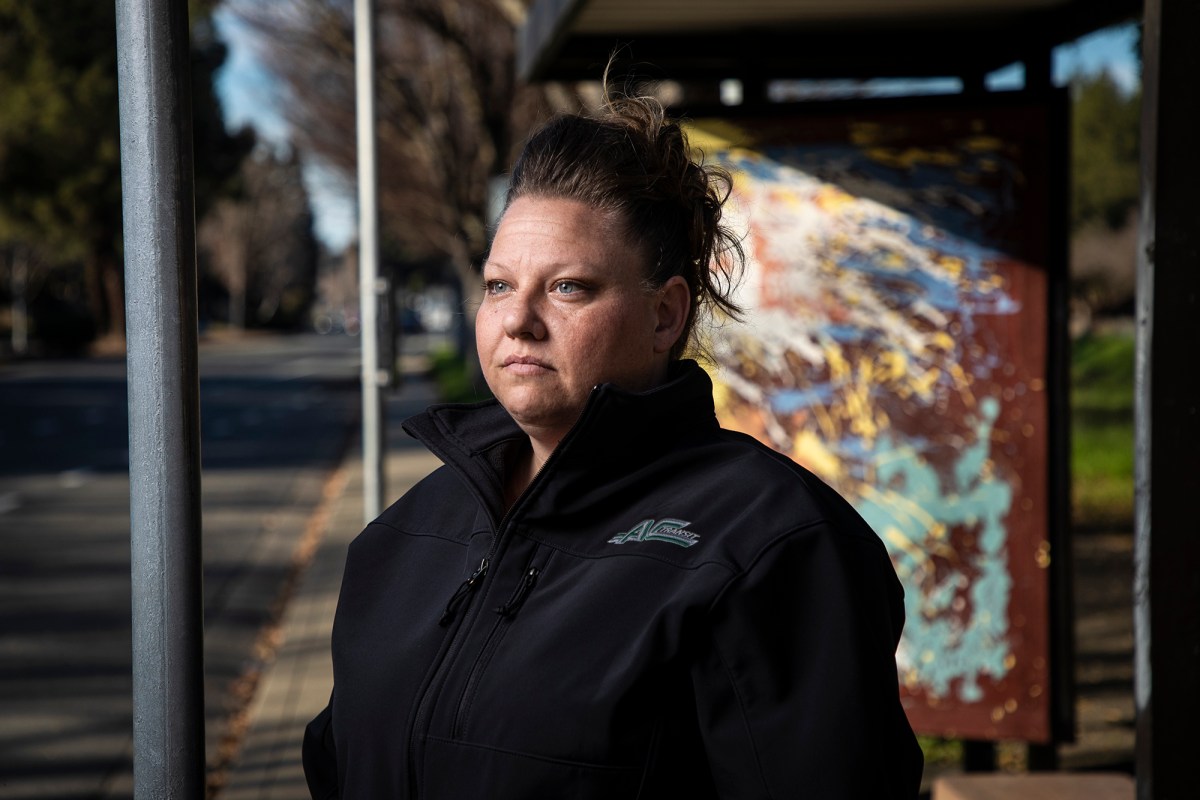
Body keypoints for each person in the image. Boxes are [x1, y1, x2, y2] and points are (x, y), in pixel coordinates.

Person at [303, 83, 924, 799]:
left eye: (568, 288)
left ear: (665, 315)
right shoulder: (404, 535)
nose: (519, 321)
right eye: (499, 286)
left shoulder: (774, 545)